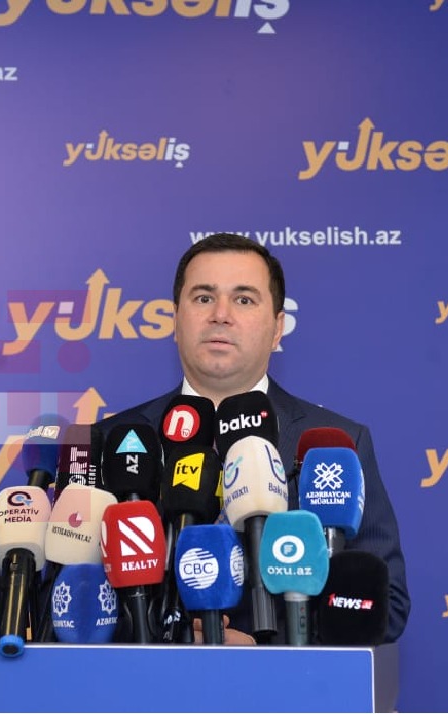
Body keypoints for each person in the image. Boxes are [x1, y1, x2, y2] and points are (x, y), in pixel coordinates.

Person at [97, 232, 410, 644]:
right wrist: (165, 640)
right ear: (175, 319)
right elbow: (71, 601)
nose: (220, 315)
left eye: (244, 299)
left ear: (277, 328)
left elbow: (384, 606)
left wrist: (265, 648)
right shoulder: (112, 441)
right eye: (203, 297)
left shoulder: (337, 444)